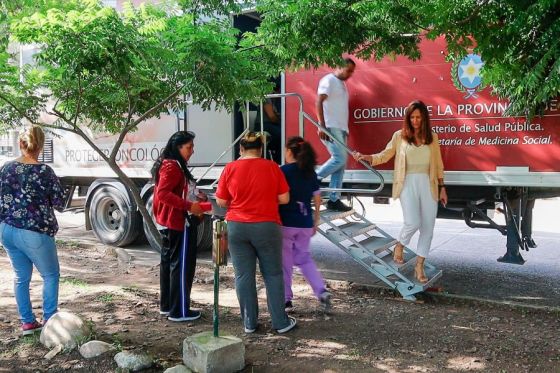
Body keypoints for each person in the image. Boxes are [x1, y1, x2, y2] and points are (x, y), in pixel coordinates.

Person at [353, 100, 448, 283]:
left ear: (424, 118)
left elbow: (438, 165)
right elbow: (385, 154)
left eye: (419, 117)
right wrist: (368, 158)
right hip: (407, 182)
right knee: (412, 222)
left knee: (428, 227)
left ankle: (419, 265)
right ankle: (400, 244)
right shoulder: (400, 136)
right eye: (412, 117)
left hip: (429, 183)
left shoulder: (432, 137)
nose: (415, 120)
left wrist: (442, 187)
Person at [215, 132, 297, 334]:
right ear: (260, 150)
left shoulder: (230, 168)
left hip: (237, 227)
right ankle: (280, 323)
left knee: (243, 275)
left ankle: (249, 323)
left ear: (241, 149)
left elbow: (221, 201)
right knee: (273, 274)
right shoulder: (272, 167)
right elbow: (285, 198)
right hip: (267, 226)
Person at [0, 126, 65, 335]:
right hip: (34, 230)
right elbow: (59, 202)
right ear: (41, 145)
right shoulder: (44, 171)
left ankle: (27, 322)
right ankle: (49, 321)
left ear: (21, 143)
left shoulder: (6, 168)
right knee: (50, 275)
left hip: (7, 229)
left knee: (21, 277)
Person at [151, 131, 206, 322]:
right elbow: (164, 194)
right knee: (181, 266)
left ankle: (168, 306)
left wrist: (196, 198)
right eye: (189, 147)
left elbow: (176, 191)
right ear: (178, 147)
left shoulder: (171, 164)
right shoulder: (172, 166)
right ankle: (179, 311)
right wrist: (190, 205)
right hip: (177, 222)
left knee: (170, 264)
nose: (192, 150)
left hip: (170, 222)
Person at [280, 136, 331, 311]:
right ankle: (321, 291)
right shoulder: (310, 173)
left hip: (285, 223)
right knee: (304, 259)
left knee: (285, 263)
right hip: (305, 223)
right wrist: (315, 220)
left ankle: (286, 299)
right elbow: (317, 197)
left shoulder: (283, 171)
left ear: (289, 151)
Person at [316, 58, 356, 212]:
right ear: (340, 67)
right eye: (349, 70)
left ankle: (334, 199)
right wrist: (321, 125)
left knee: (341, 164)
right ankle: (312, 180)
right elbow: (319, 101)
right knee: (340, 158)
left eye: (352, 71)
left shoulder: (341, 84)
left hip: (341, 128)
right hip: (331, 127)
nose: (350, 74)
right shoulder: (329, 80)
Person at [255, 83, 282, 163]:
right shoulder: (267, 97)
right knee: (283, 134)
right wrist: (282, 122)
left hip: (270, 124)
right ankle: (278, 160)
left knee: (282, 133)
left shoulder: (274, 100)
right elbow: (272, 117)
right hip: (263, 124)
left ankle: (276, 158)